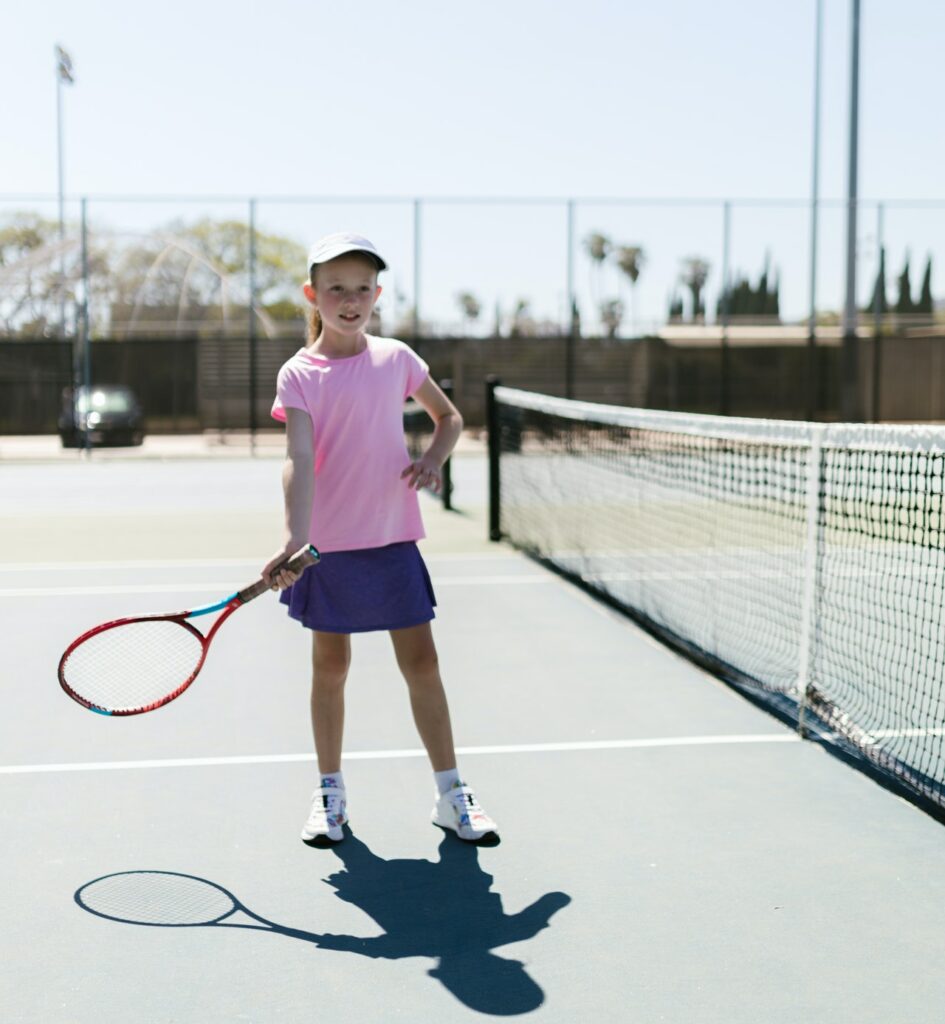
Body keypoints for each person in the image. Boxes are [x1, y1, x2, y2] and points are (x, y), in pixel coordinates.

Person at [262, 232, 498, 848]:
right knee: (331, 666)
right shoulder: (299, 373)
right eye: (336, 288)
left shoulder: (396, 359)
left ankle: (450, 794)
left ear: (377, 294)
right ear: (313, 294)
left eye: (362, 288)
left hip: (393, 540)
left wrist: (434, 459)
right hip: (328, 549)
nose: (350, 300)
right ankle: (330, 795)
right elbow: (298, 459)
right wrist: (295, 537)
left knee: (422, 664)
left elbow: (449, 417)